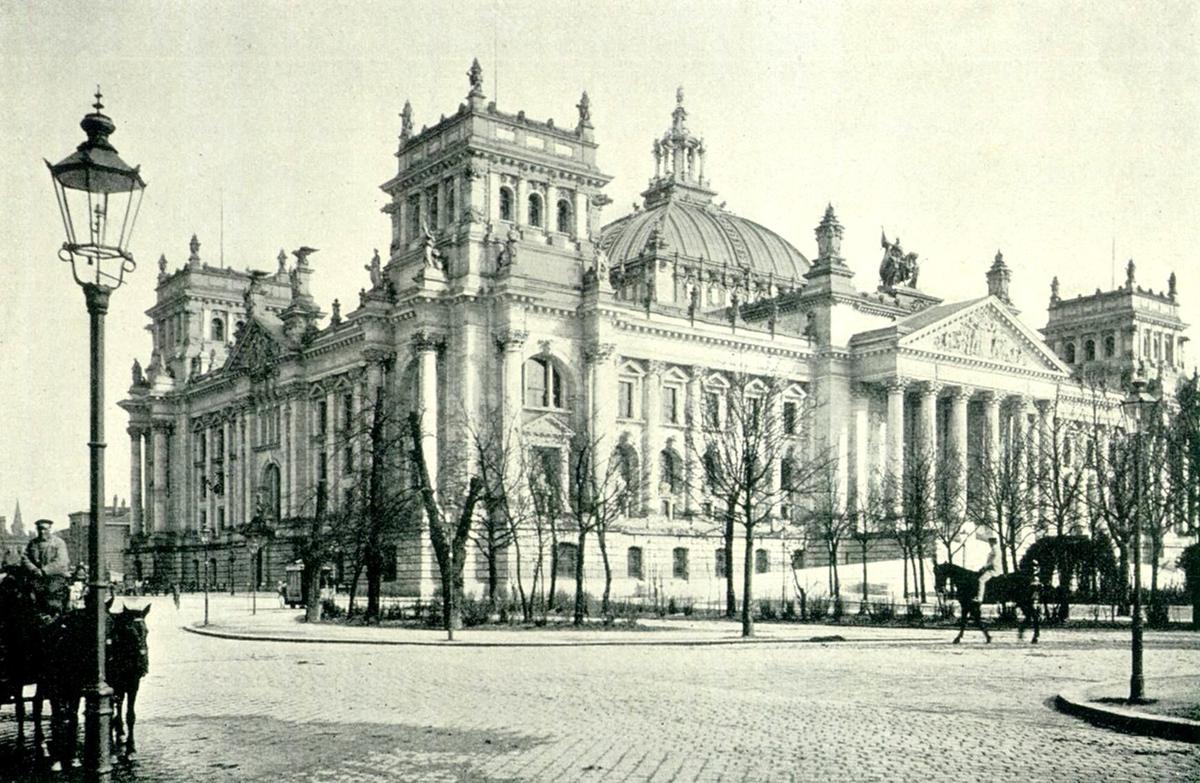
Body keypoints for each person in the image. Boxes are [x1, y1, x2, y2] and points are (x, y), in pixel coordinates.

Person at [22, 518, 71, 615]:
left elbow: (62, 561)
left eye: (44, 529)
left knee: (51, 599)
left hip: (55, 577)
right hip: (36, 577)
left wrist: (44, 571)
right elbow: (25, 558)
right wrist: (34, 569)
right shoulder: (33, 543)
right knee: (25, 597)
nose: (42, 531)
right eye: (39, 529)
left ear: (50, 529)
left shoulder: (58, 543)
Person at [976, 535, 1000, 603]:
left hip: (994, 570)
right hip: (992, 569)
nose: (989, 544)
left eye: (990, 543)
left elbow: (993, 562)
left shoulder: (996, 549)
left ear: (993, 542)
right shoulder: (995, 549)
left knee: (981, 580)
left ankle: (980, 598)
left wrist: (984, 567)